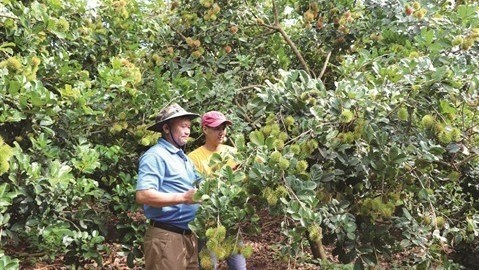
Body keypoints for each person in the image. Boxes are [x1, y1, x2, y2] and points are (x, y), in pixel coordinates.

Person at [136, 103, 201, 270]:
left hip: (189, 236)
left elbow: (202, 186)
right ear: (166, 128)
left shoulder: (184, 158)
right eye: (183, 126)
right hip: (167, 237)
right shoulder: (155, 156)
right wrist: (183, 198)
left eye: (189, 126)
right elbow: (143, 195)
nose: (187, 131)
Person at [188, 111, 247, 270]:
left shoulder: (234, 153)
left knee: (239, 266)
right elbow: (197, 191)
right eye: (216, 128)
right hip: (208, 222)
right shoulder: (193, 158)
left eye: (224, 127)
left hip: (231, 221)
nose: (221, 132)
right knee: (208, 266)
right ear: (205, 129)